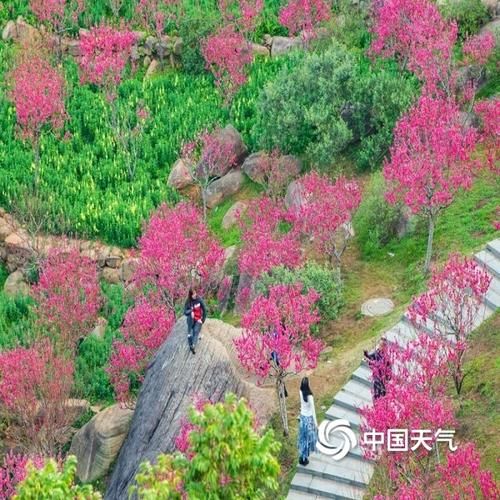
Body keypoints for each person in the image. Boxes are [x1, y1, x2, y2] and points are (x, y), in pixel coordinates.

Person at [297, 377, 318, 466]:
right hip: (308, 419)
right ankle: (304, 458)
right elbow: (313, 411)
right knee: (309, 439)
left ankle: (302, 457)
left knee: (302, 438)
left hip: (302, 418)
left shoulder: (300, 391)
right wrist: (316, 424)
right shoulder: (310, 397)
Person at [184, 289, 207, 354]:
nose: (195, 295)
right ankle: (189, 334)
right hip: (191, 319)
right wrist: (190, 311)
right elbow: (185, 312)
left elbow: (205, 310)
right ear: (190, 295)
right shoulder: (188, 301)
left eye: (195, 293)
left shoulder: (199, 299)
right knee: (190, 318)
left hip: (198, 319)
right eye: (193, 294)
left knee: (196, 330)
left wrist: (202, 320)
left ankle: (193, 346)